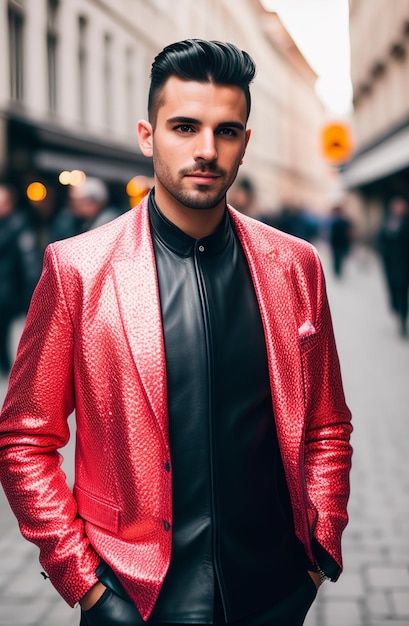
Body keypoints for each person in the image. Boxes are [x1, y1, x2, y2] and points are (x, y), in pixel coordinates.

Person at [0, 40, 352, 626]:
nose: (206, 150)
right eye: (185, 127)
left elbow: (326, 424)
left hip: (273, 594)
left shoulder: (296, 266)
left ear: (245, 142)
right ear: (148, 135)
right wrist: (83, 581)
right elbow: (24, 438)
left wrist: (316, 553)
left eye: (227, 131)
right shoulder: (79, 269)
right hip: (134, 599)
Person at [0, 184, 41, 376]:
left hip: (10, 292)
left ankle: (11, 368)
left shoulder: (19, 225)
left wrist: (30, 297)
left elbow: (29, 262)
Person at [378, 196, 409, 337]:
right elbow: (381, 240)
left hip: (407, 266)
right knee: (393, 290)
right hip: (391, 265)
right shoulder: (388, 222)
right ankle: (397, 309)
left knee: (405, 293)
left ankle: (404, 321)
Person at [49, 177, 121, 242]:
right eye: (73, 201)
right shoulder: (75, 219)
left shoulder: (109, 222)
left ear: (93, 202)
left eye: (79, 201)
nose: (74, 206)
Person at [329, 205, 352, 278]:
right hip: (339, 242)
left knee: (337, 257)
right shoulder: (343, 221)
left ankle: (337, 271)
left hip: (338, 242)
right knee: (338, 257)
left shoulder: (335, 222)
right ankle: (338, 271)